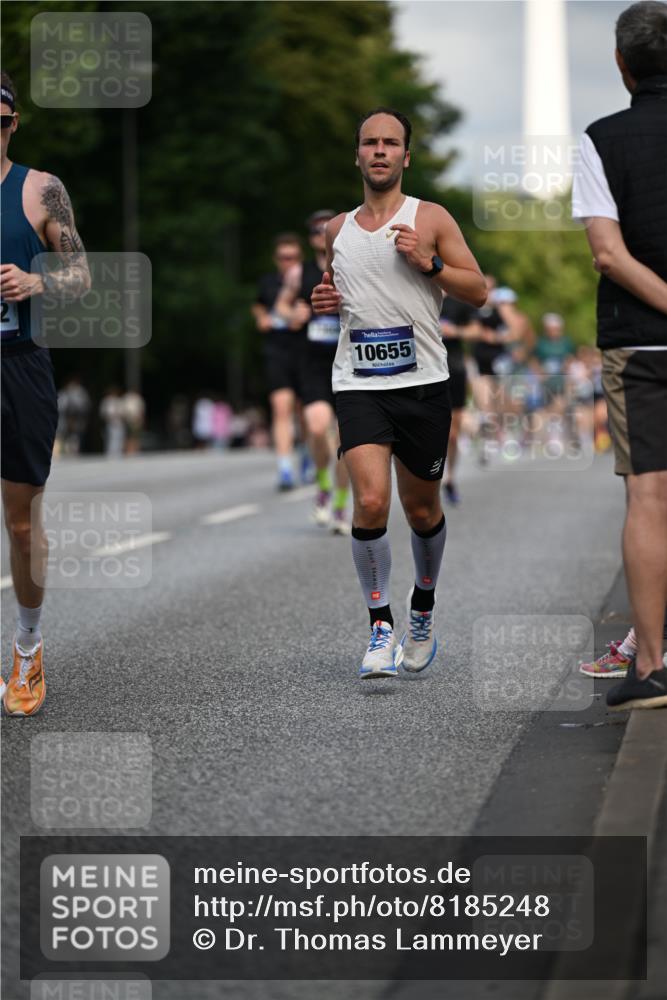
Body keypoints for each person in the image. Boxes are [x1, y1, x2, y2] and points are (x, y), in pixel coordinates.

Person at [311, 107, 486, 678]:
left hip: (424, 384)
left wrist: (430, 262)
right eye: (370, 143)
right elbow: (339, 294)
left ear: (406, 156)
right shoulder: (335, 230)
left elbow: (478, 290)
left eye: (391, 143)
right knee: (369, 502)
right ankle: (380, 626)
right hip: (358, 382)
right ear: (357, 154)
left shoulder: (430, 217)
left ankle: (423, 608)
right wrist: (325, 302)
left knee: (420, 508)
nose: (380, 151)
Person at [572, 0, 667, 709]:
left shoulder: (599, 139)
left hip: (638, 341)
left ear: (620, 65)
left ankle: (650, 667)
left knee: (647, 497)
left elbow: (607, 253)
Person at [1, 71, 90, 714]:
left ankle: (28, 651)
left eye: (1, 121)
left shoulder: (41, 190)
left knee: (20, 519)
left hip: (18, 366)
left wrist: (37, 284)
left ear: (14, 123)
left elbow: (82, 274)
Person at [274, 210, 351, 533]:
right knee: (317, 429)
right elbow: (280, 306)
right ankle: (322, 486)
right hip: (314, 364)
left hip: (349, 361)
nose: (322, 234)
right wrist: (293, 313)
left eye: (327, 228)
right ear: (311, 238)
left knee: (347, 441)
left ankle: (339, 506)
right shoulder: (299, 274)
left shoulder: (351, 266)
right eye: (316, 230)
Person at [252, 233, 310, 490]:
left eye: (294, 258)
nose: (289, 262)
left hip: (307, 352)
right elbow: (259, 306)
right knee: (281, 407)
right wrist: (262, 317)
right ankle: (285, 468)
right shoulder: (267, 283)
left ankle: (308, 455)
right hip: (278, 351)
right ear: (276, 259)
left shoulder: (308, 281)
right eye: (284, 258)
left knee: (306, 412)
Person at [438, 295, 480, 504]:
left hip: (454, 368)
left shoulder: (457, 299)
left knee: (453, 434)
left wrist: (455, 331)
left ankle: (450, 477)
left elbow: (476, 330)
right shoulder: (417, 290)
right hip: (423, 369)